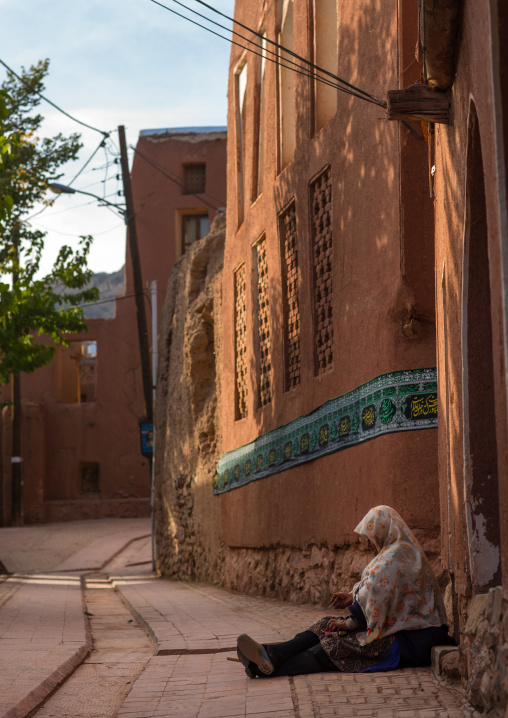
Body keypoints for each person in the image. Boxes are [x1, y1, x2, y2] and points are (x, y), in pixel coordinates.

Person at [236, 505, 456, 677]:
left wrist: (350, 623)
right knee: (324, 626)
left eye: (371, 537)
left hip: (413, 641)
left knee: (338, 645)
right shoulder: (400, 552)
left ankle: (265, 667)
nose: (370, 544)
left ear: (383, 530)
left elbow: (377, 594)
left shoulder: (396, 556)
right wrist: (353, 597)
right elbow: (384, 593)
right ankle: (273, 653)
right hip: (401, 631)